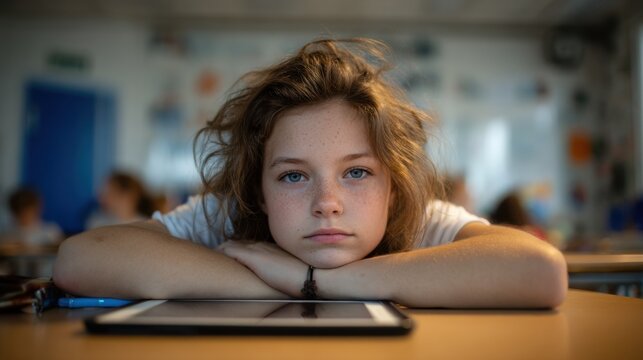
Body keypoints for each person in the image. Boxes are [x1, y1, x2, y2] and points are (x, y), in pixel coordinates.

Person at [53, 38, 566, 308]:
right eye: (293, 176)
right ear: (259, 188)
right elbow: (80, 258)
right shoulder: (232, 216)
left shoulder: (420, 219)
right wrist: (280, 285)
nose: (327, 202)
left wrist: (311, 281)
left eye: (358, 173)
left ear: (394, 183)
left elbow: (540, 271)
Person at [85, 171, 156, 229]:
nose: (101, 198)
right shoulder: (96, 221)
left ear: (128, 196)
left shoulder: (145, 226)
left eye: (110, 193)